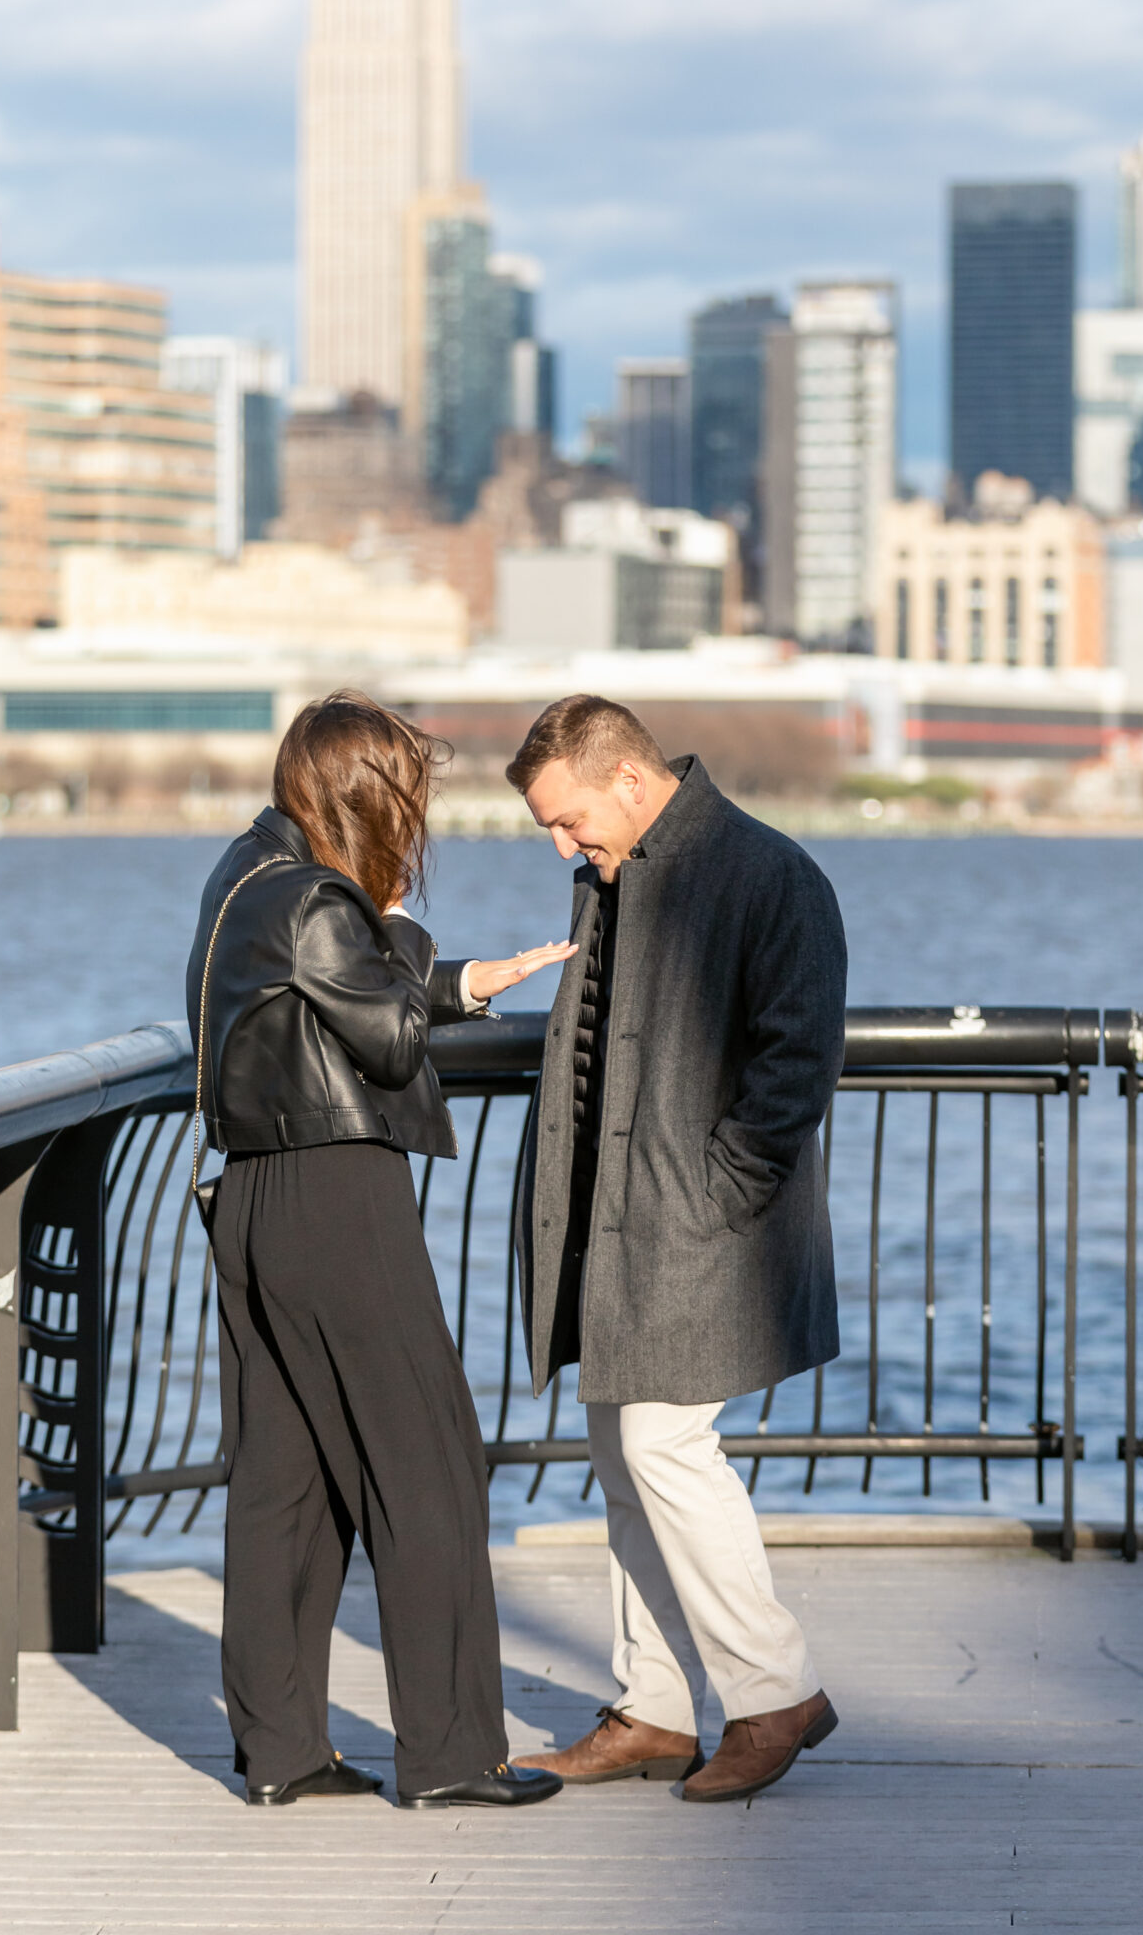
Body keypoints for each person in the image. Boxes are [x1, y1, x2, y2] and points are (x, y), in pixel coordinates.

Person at [186, 690, 572, 1811]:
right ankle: (454, 1754)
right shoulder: (322, 898)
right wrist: (402, 924)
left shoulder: (247, 873)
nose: (418, 819)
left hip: (257, 1193)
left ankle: (281, 1750)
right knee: (429, 1461)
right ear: (371, 799)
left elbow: (328, 1008)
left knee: (286, 1478)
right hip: (335, 1194)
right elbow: (390, 1040)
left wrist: (464, 984)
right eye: (408, 795)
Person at [506, 695, 846, 1805]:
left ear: (631, 783)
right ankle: (653, 1708)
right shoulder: (623, 866)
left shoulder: (769, 875)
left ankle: (773, 1691)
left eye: (568, 820)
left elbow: (798, 1060)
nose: (563, 845)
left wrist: (715, 1193)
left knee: (660, 1443)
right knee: (620, 1454)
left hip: (702, 1230)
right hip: (619, 1223)